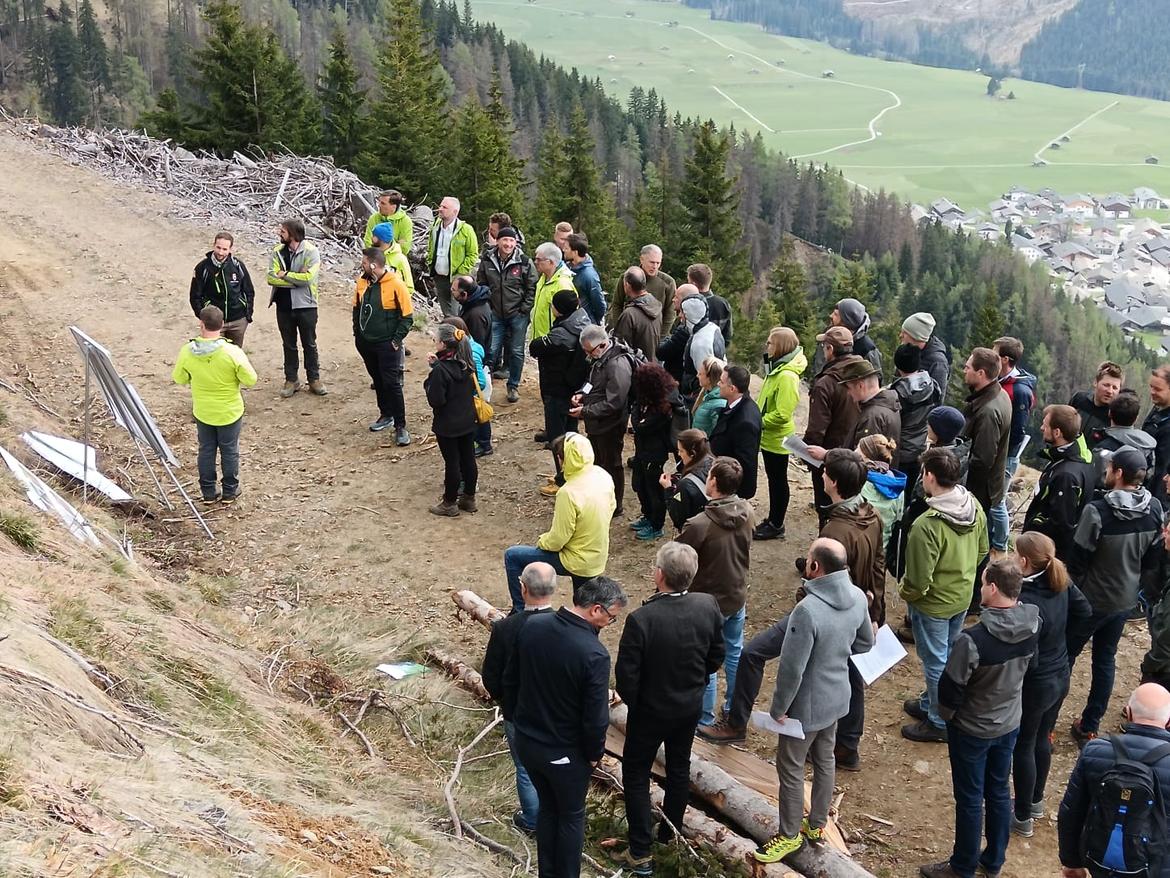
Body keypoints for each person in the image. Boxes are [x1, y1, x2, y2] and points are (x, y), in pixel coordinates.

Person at [699, 450, 883, 765]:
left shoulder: (836, 531)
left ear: (834, 482)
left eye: (825, 472)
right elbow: (879, 564)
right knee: (850, 667)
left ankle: (736, 723)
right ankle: (847, 746)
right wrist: (874, 612)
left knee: (753, 653)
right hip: (854, 608)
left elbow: (820, 575)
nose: (821, 475)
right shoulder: (871, 515)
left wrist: (804, 604)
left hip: (820, 609)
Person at [752, 538, 874, 864]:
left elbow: (792, 669)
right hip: (837, 698)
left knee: (791, 768)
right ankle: (817, 824)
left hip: (805, 708)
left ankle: (789, 834)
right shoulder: (858, 597)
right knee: (825, 760)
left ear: (815, 567)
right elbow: (865, 643)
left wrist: (778, 709)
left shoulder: (806, 610)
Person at [502, 576, 628, 878]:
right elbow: (596, 716)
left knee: (548, 809)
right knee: (571, 817)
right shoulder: (594, 654)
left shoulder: (532, 625)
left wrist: (520, 721)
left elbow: (510, 680)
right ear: (596, 610)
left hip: (528, 741)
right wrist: (594, 753)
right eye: (611, 618)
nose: (609, 624)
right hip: (564, 752)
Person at [920, 559, 1039, 878]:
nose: (980, 587)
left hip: (972, 729)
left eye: (984, 582)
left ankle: (962, 866)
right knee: (998, 790)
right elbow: (1033, 667)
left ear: (993, 588)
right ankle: (994, 860)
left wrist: (949, 718)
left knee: (970, 798)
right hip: (1008, 723)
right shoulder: (1032, 625)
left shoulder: (972, 640)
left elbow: (950, 689)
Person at [612, 542, 724, 876]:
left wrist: (640, 704)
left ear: (659, 575)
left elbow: (626, 677)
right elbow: (715, 657)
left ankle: (640, 851)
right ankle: (667, 838)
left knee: (636, 774)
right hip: (688, 707)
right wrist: (694, 685)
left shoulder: (642, 619)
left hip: (650, 712)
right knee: (678, 770)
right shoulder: (707, 605)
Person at [1067, 447, 1164, 746]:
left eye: (1109, 467)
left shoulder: (1097, 511)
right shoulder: (1155, 508)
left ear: (1118, 473)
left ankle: (1044, 724)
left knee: (1064, 658)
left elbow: (1077, 562)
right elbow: (1151, 561)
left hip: (1090, 601)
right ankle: (1089, 726)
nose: (1106, 471)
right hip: (1124, 600)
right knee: (1105, 659)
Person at [900, 447, 989, 743]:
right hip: (961, 595)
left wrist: (906, 592)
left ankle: (939, 721)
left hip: (933, 605)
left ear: (929, 476)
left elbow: (917, 580)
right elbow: (983, 550)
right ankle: (930, 703)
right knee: (948, 655)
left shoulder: (927, 526)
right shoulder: (973, 505)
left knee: (935, 662)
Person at [1011, 532, 1092, 838]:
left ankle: (1022, 816)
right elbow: (1085, 613)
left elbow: (1026, 644)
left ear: (1023, 561)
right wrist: (1064, 647)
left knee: (1025, 743)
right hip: (1059, 674)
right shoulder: (1060, 581)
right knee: (1042, 737)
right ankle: (1035, 801)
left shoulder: (1028, 598)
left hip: (1038, 682)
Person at [1058, 683, 1170, 878]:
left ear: (1128, 713)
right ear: (1168, 721)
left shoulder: (1095, 750)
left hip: (1101, 861)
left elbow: (1071, 812)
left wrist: (1071, 862)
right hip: (1157, 867)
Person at [480, 561, 557, 835]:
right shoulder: (566, 626)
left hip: (517, 711)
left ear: (522, 588)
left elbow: (490, 676)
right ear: (554, 589)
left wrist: (503, 699)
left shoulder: (505, 628)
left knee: (525, 768)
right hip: (556, 712)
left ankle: (532, 820)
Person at [678, 457, 754, 729]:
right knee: (734, 652)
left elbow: (679, 560)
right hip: (736, 594)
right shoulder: (748, 511)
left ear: (713, 481)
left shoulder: (699, 524)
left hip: (708, 605)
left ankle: (705, 717)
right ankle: (733, 707)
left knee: (705, 661)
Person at [502, 433, 616, 613]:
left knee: (513, 556)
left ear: (564, 458)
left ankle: (521, 611)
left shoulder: (568, 492)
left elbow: (558, 539)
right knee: (584, 609)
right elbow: (612, 506)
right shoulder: (602, 475)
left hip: (575, 559)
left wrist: (542, 541)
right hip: (597, 556)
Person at [172, 304, 258, 502]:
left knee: (206, 450)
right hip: (229, 411)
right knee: (229, 450)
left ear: (201, 324)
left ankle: (208, 492)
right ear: (222, 324)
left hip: (203, 411)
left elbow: (179, 378)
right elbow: (251, 379)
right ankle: (230, 491)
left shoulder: (187, 351)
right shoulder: (232, 352)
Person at [571, 325, 634, 515]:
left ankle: (615, 505)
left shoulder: (617, 365)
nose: (587, 356)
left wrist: (585, 411)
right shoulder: (600, 358)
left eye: (589, 351)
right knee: (597, 462)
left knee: (611, 464)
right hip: (597, 423)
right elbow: (592, 381)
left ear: (602, 344)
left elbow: (615, 403)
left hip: (611, 425)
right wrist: (582, 394)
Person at [529, 290, 590, 489]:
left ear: (559, 309)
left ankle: (562, 480)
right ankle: (574, 473)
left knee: (557, 439)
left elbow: (535, 347)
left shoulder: (561, 335)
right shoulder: (584, 322)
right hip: (575, 390)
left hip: (556, 390)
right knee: (572, 434)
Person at [352, 248, 413, 444]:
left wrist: (395, 341)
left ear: (373, 265)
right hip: (366, 343)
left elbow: (407, 317)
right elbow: (356, 308)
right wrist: (357, 335)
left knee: (392, 383)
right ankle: (385, 414)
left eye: (364, 262)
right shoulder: (362, 282)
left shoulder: (396, 284)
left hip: (387, 345)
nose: (362, 265)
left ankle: (400, 426)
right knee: (377, 380)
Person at [802, 326, 863, 517]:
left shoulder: (826, 384)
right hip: (856, 454)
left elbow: (817, 428)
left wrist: (809, 456)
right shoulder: (864, 374)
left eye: (824, 346)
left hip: (828, 457)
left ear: (830, 349)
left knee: (826, 507)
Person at [1022, 405, 1095, 561]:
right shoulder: (1079, 458)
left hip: (1048, 556)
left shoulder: (1066, 476)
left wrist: (1035, 524)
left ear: (1057, 433)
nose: (1041, 428)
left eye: (1045, 425)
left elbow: (1061, 525)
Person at [756, 327, 807, 541]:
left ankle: (776, 524)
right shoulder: (777, 367)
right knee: (774, 480)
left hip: (777, 439)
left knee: (778, 482)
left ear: (781, 346)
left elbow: (782, 414)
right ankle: (772, 519)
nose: (767, 346)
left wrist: (758, 421)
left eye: (770, 343)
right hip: (769, 437)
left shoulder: (786, 376)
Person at [477, 226, 537, 402]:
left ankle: (513, 386)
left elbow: (532, 287)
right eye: (505, 240)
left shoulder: (524, 262)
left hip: (518, 315)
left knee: (516, 351)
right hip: (495, 313)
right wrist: (488, 307)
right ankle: (484, 386)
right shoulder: (487, 259)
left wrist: (524, 309)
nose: (508, 244)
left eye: (512, 241)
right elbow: (481, 284)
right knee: (491, 350)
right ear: (498, 241)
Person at [267, 219, 325, 398]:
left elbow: (308, 279)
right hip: (283, 306)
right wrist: (295, 279)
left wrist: (285, 275)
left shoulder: (311, 252)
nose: (279, 233)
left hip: (306, 305)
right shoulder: (277, 252)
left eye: (283, 231)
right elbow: (271, 278)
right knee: (288, 344)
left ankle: (314, 379)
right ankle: (291, 379)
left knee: (309, 344)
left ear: (293, 234)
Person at [424, 324, 478, 516]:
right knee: (468, 459)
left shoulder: (440, 371)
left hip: (448, 425)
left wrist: (430, 380)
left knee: (452, 463)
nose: (435, 342)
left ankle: (449, 502)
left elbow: (436, 400)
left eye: (436, 340)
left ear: (444, 344)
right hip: (467, 420)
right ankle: (469, 498)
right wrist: (436, 365)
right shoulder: (467, 365)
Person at [989, 336, 1036, 553]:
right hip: (996, 450)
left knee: (997, 500)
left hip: (1006, 455)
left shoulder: (1019, 391)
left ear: (1005, 359)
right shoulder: (1000, 381)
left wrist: (1002, 450)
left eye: (994, 353)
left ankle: (1000, 545)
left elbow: (1018, 431)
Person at [629, 363, 686, 541]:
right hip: (642, 450)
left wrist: (637, 421)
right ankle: (647, 516)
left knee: (654, 490)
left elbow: (641, 426)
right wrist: (637, 418)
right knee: (640, 485)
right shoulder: (647, 399)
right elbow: (636, 413)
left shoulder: (664, 406)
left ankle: (656, 525)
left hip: (654, 453)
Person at [961, 347, 1012, 535]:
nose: (964, 371)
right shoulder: (999, 393)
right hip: (989, 486)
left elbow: (982, 460)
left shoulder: (988, 412)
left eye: (968, 367)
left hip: (980, 490)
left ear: (981, 373)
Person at [890, 342, 942, 491]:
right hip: (921, 448)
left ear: (898, 365)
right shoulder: (933, 387)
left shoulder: (896, 394)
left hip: (899, 452)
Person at [189, 232, 255, 348]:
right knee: (212, 353)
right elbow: (195, 296)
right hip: (214, 322)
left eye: (224, 249)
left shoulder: (237, 265)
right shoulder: (202, 268)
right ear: (213, 245)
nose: (220, 252)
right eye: (218, 247)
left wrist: (248, 315)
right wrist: (204, 317)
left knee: (235, 354)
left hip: (238, 321)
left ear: (230, 249)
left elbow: (249, 290)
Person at [708, 364, 762, 500]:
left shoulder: (746, 422)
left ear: (732, 389)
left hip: (731, 488)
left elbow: (744, 463)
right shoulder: (734, 403)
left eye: (721, 382)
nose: (718, 384)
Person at [444, 314, 493, 458]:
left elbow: (481, 381)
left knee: (480, 417)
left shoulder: (472, 352)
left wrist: (468, 392)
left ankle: (484, 445)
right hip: (469, 394)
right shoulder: (463, 348)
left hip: (474, 395)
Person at [426, 196, 479, 316]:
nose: (440, 209)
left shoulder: (466, 230)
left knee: (456, 311)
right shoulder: (435, 227)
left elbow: (472, 254)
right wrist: (430, 263)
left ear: (455, 212)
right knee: (445, 310)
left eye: (444, 207)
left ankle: (458, 327)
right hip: (439, 276)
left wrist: (460, 273)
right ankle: (448, 326)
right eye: (440, 206)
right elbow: (430, 247)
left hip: (457, 278)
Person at [1091, 389, 1156, 487]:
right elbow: (1150, 476)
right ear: (1136, 418)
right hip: (1139, 494)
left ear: (1109, 413)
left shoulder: (1104, 447)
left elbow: (1096, 480)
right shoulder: (1148, 446)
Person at [608, 244, 675, 335]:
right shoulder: (627, 277)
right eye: (652, 262)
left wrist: (661, 337)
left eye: (658, 263)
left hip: (654, 333)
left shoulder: (668, 282)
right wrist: (620, 330)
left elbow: (670, 314)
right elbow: (617, 304)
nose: (655, 266)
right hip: (629, 330)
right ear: (642, 259)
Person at [858, 434, 907, 554]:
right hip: (882, 549)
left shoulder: (859, 484)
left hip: (858, 548)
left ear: (866, 458)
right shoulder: (898, 488)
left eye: (858, 450)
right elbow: (897, 518)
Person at [840, 359, 901, 450]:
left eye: (849, 388)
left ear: (860, 386)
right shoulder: (888, 405)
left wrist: (828, 454)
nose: (848, 392)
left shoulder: (871, 416)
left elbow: (862, 456)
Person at [813, 298, 882, 378]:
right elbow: (819, 367)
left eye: (835, 314)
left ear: (846, 321)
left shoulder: (867, 349)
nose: (831, 316)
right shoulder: (829, 335)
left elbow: (875, 380)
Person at [660, 428, 714, 530]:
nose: (679, 454)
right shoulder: (715, 465)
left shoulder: (685, 484)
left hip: (695, 531)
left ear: (692, 453)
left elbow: (678, 518)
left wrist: (668, 489)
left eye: (681, 451)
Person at [677, 294, 726, 398]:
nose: (679, 316)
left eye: (682, 312)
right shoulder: (711, 328)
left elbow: (706, 380)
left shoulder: (701, 344)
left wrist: (699, 400)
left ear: (690, 314)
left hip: (699, 396)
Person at [531, 241, 578, 348]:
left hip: (553, 343)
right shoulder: (544, 278)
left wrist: (553, 339)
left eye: (539, 259)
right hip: (542, 340)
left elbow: (569, 318)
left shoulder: (563, 284)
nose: (535, 262)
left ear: (551, 262)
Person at [1069, 361, 1124, 449]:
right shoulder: (1079, 399)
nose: (1110, 391)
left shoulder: (1116, 417)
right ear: (1095, 382)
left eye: (1114, 388)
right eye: (1106, 385)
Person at [614, 266, 663, 362]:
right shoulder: (656, 306)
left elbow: (619, 348)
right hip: (652, 364)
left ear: (627, 285)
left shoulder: (629, 314)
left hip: (636, 366)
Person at [901, 312, 951, 400]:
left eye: (905, 333)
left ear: (916, 337)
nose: (900, 335)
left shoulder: (938, 363)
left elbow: (937, 399)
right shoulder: (908, 352)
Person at [1143, 364, 1170, 506]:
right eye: (1151, 387)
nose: (1152, 392)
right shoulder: (1158, 409)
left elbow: (1163, 468)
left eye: (1158, 389)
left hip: (1156, 498)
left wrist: (1155, 504)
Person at [565, 233, 605, 324]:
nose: (564, 250)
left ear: (575, 253)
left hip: (584, 324)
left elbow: (599, 304)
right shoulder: (566, 268)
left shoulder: (589, 275)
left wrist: (593, 322)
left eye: (567, 248)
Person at [687, 263, 732, 343]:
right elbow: (727, 336)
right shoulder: (723, 304)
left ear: (693, 284)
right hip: (716, 349)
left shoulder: (689, 304)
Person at [370, 222, 415, 293]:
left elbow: (409, 288)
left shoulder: (401, 259)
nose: (372, 239)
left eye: (375, 237)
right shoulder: (372, 255)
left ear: (383, 240)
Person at [453, 276, 492, 354]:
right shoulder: (470, 303)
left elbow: (477, 346)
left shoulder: (476, 316)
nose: (451, 291)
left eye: (454, 290)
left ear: (464, 294)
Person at [691, 356, 727, 436]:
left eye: (700, 373)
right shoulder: (706, 396)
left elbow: (717, 436)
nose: (697, 375)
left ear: (709, 378)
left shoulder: (719, 405)